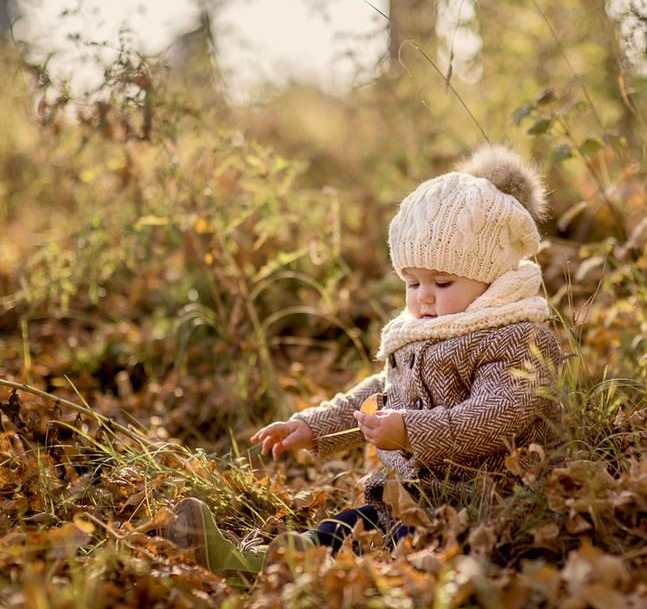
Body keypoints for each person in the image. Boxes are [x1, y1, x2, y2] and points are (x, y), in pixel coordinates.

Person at [163, 143, 565, 576]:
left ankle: (373, 584)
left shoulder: (517, 337)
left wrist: (411, 431)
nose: (423, 296)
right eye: (412, 283)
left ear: (493, 276)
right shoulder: (428, 331)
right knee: (347, 526)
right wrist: (314, 426)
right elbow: (383, 392)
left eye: (443, 282)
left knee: (404, 544)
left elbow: (499, 413)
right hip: (416, 493)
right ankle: (255, 564)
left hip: (484, 496)